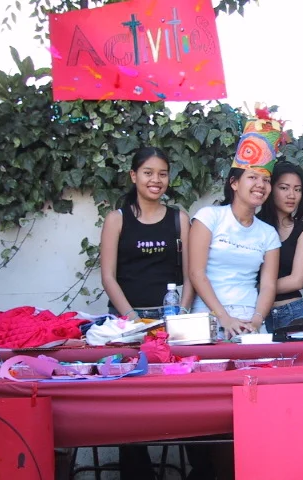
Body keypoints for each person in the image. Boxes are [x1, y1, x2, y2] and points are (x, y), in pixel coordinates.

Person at [99, 146, 193, 479]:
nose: (156, 180)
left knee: (181, 400)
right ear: (134, 176)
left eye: (162, 173)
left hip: (169, 322)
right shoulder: (117, 219)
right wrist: (132, 320)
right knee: (129, 405)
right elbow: (108, 276)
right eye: (148, 173)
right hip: (126, 324)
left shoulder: (179, 218)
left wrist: (181, 314)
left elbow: (191, 274)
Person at [188, 110, 282, 339]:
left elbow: (268, 285)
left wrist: (256, 321)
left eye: (266, 180)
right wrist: (224, 318)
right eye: (252, 177)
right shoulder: (208, 217)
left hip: (250, 320)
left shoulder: (269, 233)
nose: (260, 185)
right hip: (208, 317)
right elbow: (196, 273)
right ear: (234, 183)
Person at [257, 161, 303, 333]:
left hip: (292, 312)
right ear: (270, 188)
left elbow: (297, 280)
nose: (292, 195)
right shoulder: (253, 225)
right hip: (252, 312)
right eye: (284, 188)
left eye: (297, 189)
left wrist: (254, 289)